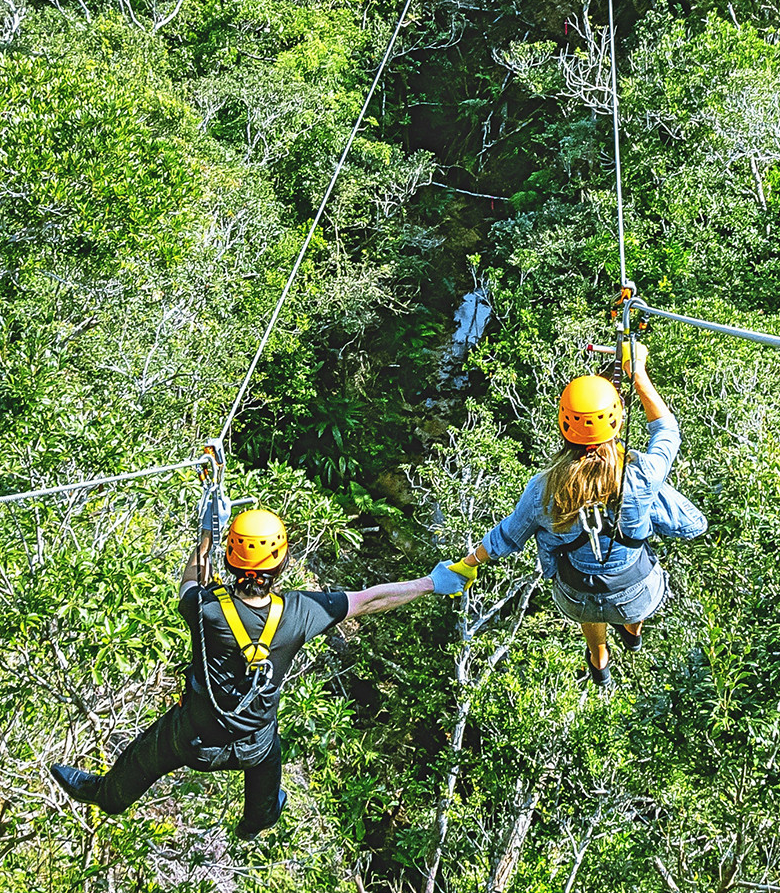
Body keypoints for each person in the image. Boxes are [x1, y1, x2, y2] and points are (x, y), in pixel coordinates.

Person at [50, 505, 434, 840]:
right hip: (254, 748)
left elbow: (190, 580)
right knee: (269, 752)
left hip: (194, 740)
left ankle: (107, 796)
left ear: (232, 560)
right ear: (281, 562)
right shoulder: (301, 612)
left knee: (144, 754)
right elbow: (372, 598)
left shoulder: (204, 608)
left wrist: (206, 534)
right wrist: (433, 583)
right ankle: (256, 820)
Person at [430, 339, 704, 686]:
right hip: (635, 589)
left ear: (564, 424)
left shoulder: (543, 488)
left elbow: (507, 537)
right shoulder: (640, 475)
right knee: (632, 596)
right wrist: (639, 375)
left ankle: (598, 656)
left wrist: (468, 564)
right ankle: (632, 635)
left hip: (577, 596)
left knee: (588, 598)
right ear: (617, 423)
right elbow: (667, 431)